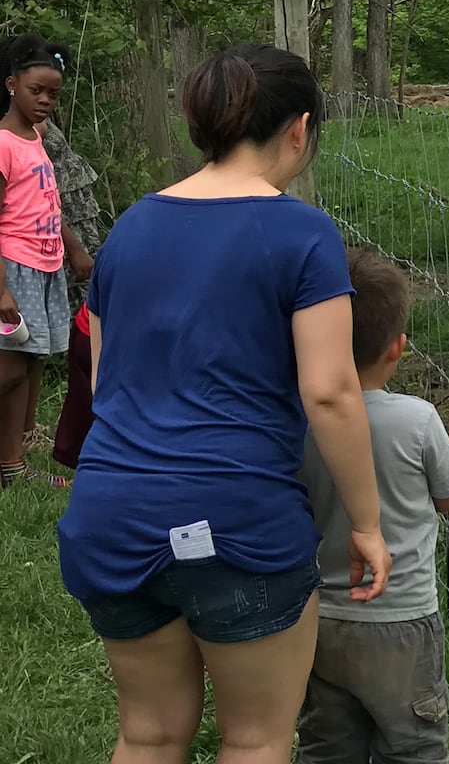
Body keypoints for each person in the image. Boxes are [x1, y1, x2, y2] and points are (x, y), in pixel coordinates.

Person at [56, 44, 392, 764]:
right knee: (256, 738)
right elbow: (330, 391)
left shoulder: (130, 229)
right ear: (299, 129)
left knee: (146, 733)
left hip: (110, 515)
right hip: (238, 524)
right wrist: (366, 522)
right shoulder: (303, 233)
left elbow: (102, 380)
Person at [298, 247, 449, 764]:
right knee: (413, 746)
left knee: (328, 744)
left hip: (321, 616)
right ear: (397, 348)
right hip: (403, 620)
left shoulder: (300, 421)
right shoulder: (418, 420)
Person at [0, 34, 93, 488]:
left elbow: (46, 204)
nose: (45, 101)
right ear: (11, 84)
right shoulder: (2, 143)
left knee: (34, 360)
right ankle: (12, 462)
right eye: (36, 91)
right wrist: (1, 287)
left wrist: (74, 249)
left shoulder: (34, 138)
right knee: (12, 367)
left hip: (45, 264)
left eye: (53, 94)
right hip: (13, 267)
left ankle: (15, 455)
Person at [42, 115, 103, 470]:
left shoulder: (35, 113)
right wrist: (75, 247)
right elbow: (38, 197)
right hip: (57, 232)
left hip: (75, 214)